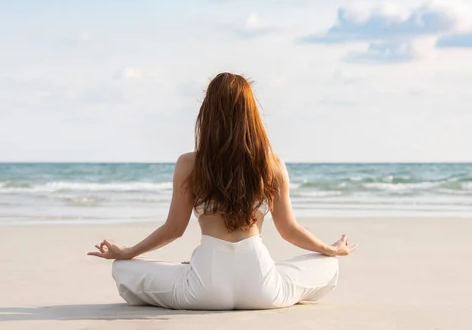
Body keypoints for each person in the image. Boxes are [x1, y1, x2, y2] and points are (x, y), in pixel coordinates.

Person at [88, 72, 357, 310]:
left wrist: (127, 253)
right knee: (326, 265)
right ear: (252, 114)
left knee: (124, 268)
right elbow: (288, 229)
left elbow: (174, 229)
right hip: (262, 288)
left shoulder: (189, 164)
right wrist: (332, 250)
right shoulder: (272, 164)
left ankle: (178, 273)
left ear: (208, 113)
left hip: (203, 288)